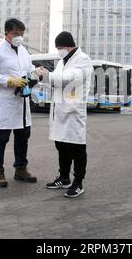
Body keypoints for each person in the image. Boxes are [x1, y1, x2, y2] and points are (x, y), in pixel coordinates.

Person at [0, 18, 42, 187]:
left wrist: (35, 73)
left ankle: (20, 169)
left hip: (22, 103)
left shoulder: (24, 51)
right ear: (7, 33)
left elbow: (28, 69)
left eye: (22, 34)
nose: (19, 37)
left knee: (23, 137)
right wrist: (10, 81)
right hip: (5, 102)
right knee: (1, 138)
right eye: (16, 33)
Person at [39, 32, 93, 198]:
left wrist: (48, 75)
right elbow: (55, 81)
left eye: (60, 47)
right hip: (60, 110)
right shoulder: (63, 61)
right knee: (61, 145)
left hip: (73, 110)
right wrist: (42, 77)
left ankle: (78, 182)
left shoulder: (83, 59)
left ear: (68, 46)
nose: (59, 51)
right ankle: (64, 178)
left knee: (76, 147)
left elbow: (70, 78)